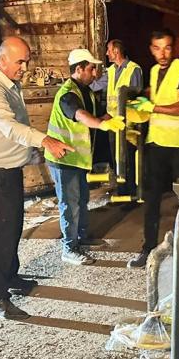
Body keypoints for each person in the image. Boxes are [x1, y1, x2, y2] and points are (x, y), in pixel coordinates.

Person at [0, 36, 73, 320]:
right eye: (20, 61)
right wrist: (46, 141)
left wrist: (32, 155)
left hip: (9, 170)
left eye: (26, 60)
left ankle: (10, 277)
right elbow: (10, 127)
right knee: (0, 235)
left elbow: (20, 128)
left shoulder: (11, 86)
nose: (25, 66)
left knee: (13, 228)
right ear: (3, 60)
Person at [127, 29, 179, 269]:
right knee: (152, 197)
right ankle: (148, 248)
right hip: (156, 142)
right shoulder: (155, 70)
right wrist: (140, 96)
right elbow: (156, 95)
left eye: (167, 47)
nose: (163, 53)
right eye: (157, 48)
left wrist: (151, 107)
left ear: (174, 47)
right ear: (151, 49)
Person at [46, 49, 125, 266]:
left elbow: (101, 114)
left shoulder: (86, 92)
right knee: (69, 204)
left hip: (77, 160)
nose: (95, 72)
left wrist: (125, 113)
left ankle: (82, 238)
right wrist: (102, 124)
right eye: (91, 68)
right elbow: (81, 116)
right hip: (63, 160)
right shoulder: (67, 94)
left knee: (81, 200)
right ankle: (69, 248)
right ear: (78, 69)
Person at [91, 39, 143, 196]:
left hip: (129, 122)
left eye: (108, 50)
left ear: (116, 52)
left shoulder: (134, 69)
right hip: (113, 122)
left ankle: (132, 190)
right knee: (116, 156)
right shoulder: (111, 71)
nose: (106, 53)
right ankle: (121, 189)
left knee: (128, 156)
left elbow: (136, 95)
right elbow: (95, 86)